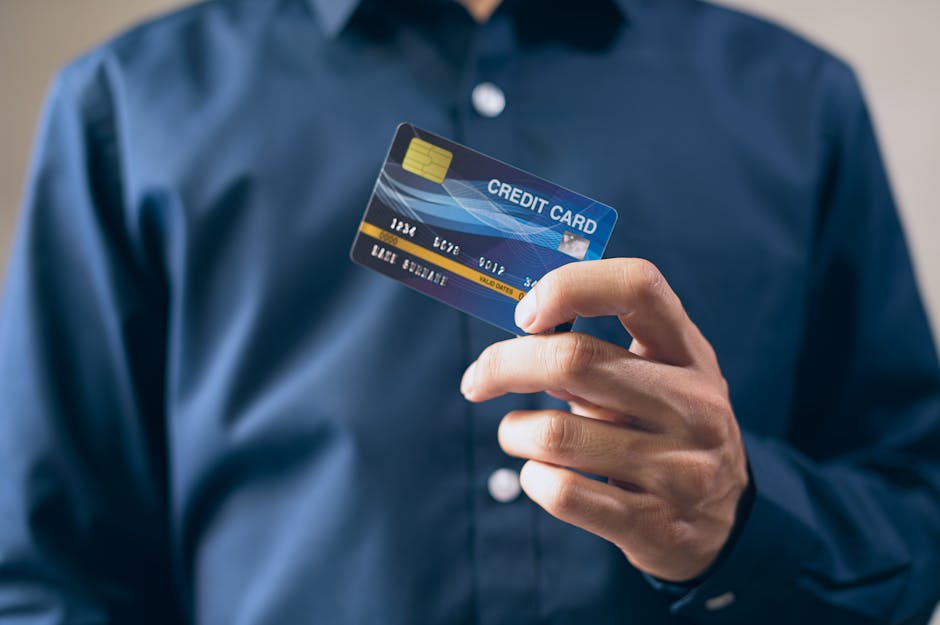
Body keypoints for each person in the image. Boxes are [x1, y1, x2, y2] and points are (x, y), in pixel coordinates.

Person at [1, 0, 939, 622]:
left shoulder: (795, 102)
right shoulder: (130, 108)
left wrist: (742, 518)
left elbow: (917, 509)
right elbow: (47, 574)